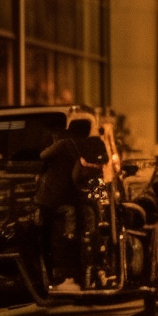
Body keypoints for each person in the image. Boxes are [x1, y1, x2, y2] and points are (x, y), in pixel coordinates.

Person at [35, 118, 107, 289]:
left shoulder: (63, 144)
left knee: (46, 231)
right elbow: (103, 164)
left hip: (58, 197)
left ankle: (55, 269)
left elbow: (42, 155)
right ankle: (95, 261)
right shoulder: (94, 144)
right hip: (83, 194)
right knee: (92, 222)